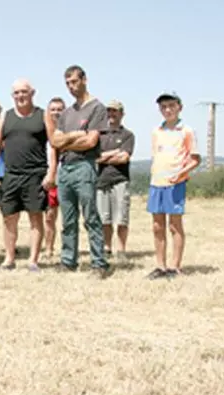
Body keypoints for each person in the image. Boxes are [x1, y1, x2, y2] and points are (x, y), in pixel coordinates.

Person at [46, 65, 110, 277]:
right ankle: (68, 261)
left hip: (85, 166)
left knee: (90, 216)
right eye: (67, 84)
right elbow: (55, 141)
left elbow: (91, 141)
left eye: (74, 82)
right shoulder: (66, 113)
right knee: (68, 219)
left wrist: (68, 140)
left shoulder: (97, 108)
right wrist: (76, 135)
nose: (71, 87)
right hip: (66, 168)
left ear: (84, 80)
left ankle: (99, 263)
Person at [0, 79, 53, 271]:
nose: (20, 96)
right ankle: (9, 259)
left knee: (36, 217)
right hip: (11, 175)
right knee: (9, 217)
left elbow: (54, 144)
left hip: (36, 174)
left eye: (24, 92)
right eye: (16, 93)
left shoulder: (43, 115)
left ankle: (33, 260)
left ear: (32, 93)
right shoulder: (5, 117)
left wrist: (52, 172)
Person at [146, 92, 201, 279]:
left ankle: (175, 266)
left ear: (179, 107)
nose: (167, 110)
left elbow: (195, 159)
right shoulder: (156, 131)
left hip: (175, 183)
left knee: (174, 225)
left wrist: (181, 173)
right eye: (163, 107)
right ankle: (160, 266)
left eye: (171, 105)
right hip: (156, 183)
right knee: (157, 225)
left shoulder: (186, 131)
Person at [96, 100, 135, 263]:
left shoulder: (127, 135)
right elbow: (95, 158)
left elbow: (124, 158)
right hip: (101, 181)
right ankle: (107, 248)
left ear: (122, 114)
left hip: (120, 180)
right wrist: (114, 153)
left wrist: (105, 157)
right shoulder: (99, 134)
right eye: (109, 111)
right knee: (104, 218)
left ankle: (121, 250)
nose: (112, 114)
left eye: (115, 111)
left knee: (122, 218)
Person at [43, 97, 66, 260]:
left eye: (59, 109)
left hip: (63, 176)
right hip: (42, 176)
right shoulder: (42, 131)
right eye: (53, 109)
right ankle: (47, 248)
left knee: (64, 215)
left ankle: (65, 248)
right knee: (47, 216)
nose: (56, 112)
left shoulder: (67, 129)